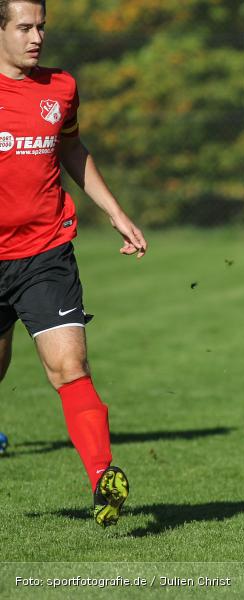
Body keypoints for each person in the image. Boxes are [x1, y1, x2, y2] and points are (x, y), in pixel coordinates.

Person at [0, 0, 146, 526]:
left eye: (41, 26)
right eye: (24, 27)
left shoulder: (60, 87)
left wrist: (116, 212)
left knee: (70, 367)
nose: (36, 37)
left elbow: (72, 150)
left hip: (46, 251)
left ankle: (104, 481)